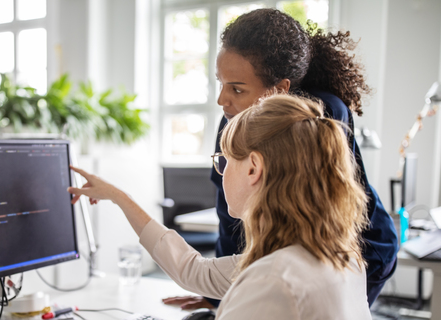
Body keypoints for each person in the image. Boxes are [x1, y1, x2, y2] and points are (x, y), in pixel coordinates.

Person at [163, 8, 397, 309]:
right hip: (296, 259)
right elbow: (230, 216)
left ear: (280, 89)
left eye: (237, 88)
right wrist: (217, 295)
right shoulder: (232, 119)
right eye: (221, 83)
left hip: (359, 250)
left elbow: (323, 214)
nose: (223, 100)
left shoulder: (320, 115)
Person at [68, 94, 372, 319]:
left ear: (253, 168)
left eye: (224, 161)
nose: (221, 172)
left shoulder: (272, 280)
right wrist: (122, 198)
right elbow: (194, 271)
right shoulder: (338, 256)